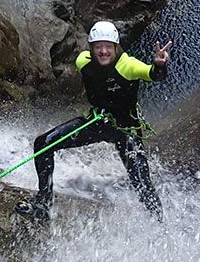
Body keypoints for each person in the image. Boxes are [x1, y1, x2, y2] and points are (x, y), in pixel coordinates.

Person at [15, 20, 172, 221]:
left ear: (116, 47)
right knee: (43, 144)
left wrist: (159, 65)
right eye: (99, 46)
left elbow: (152, 75)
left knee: (142, 182)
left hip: (126, 131)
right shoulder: (83, 62)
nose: (103, 51)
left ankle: (159, 223)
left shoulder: (128, 65)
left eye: (108, 46)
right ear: (92, 48)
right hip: (96, 123)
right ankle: (44, 202)